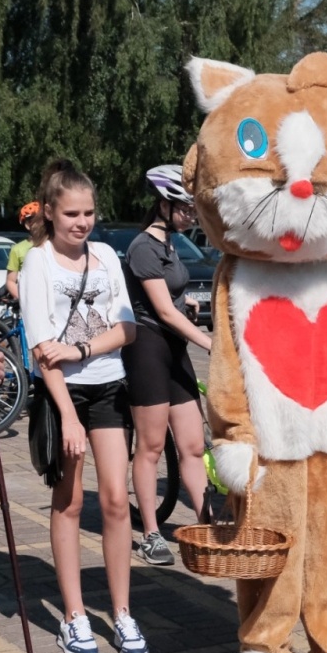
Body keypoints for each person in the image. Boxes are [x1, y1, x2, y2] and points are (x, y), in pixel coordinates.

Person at [18, 160, 144, 653]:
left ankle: (122, 611)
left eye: (89, 212)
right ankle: (73, 616)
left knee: (116, 500)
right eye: (71, 212)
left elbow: (127, 329)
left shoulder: (107, 256)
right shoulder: (37, 262)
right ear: (49, 212)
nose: (82, 222)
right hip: (63, 397)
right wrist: (68, 414)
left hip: (109, 386)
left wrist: (83, 350)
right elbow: (41, 347)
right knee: (69, 501)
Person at [121, 165, 210, 567]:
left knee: (192, 445)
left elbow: (171, 298)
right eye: (185, 208)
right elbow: (161, 311)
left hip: (173, 349)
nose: (191, 216)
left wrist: (185, 301)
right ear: (163, 204)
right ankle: (151, 533)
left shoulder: (171, 244)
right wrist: (209, 342)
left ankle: (207, 523)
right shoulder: (143, 245)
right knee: (152, 447)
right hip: (148, 349)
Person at [4, 201, 43, 302]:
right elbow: (10, 281)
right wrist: (24, 300)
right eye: (37, 221)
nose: (41, 224)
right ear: (28, 225)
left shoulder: (56, 245)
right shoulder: (17, 249)